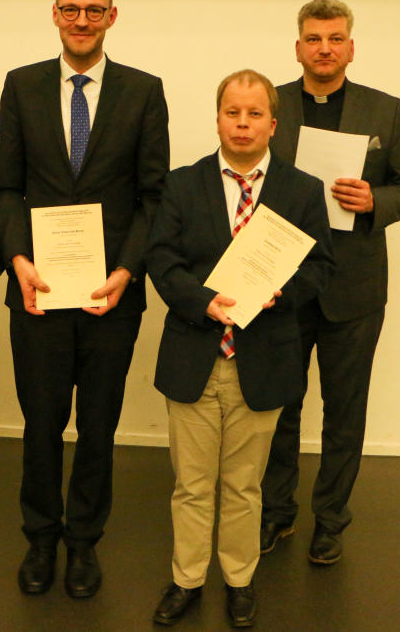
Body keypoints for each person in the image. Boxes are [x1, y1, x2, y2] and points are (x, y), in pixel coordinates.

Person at [0, 0, 169, 598]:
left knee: (98, 426)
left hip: (110, 297)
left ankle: (84, 542)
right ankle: (41, 537)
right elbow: (4, 189)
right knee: (40, 424)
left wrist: (127, 271)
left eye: (95, 10)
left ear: (112, 17)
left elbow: (153, 197)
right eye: (72, 9)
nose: (82, 20)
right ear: (55, 14)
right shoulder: (21, 85)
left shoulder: (144, 91)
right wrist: (17, 259)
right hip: (36, 292)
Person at [147, 70, 334, 628]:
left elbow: (321, 267)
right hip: (194, 354)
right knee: (191, 485)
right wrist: (203, 301)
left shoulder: (302, 190)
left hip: (263, 357)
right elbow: (162, 260)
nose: (243, 123)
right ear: (218, 119)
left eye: (255, 114)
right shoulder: (183, 184)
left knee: (244, 486)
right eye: (233, 112)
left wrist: (282, 293)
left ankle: (239, 581)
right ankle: (186, 580)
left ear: (273, 124)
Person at [260, 0, 400, 565]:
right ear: (298, 47)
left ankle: (330, 521)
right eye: (313, 38)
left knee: (345, 411)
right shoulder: (270, 104)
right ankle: (276, 513)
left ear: (351, 48)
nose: (324, 49)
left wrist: (374, 200)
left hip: (354, 288)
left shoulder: (385, 109)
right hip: (281, 281)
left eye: (335, 39)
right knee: (278, 406)